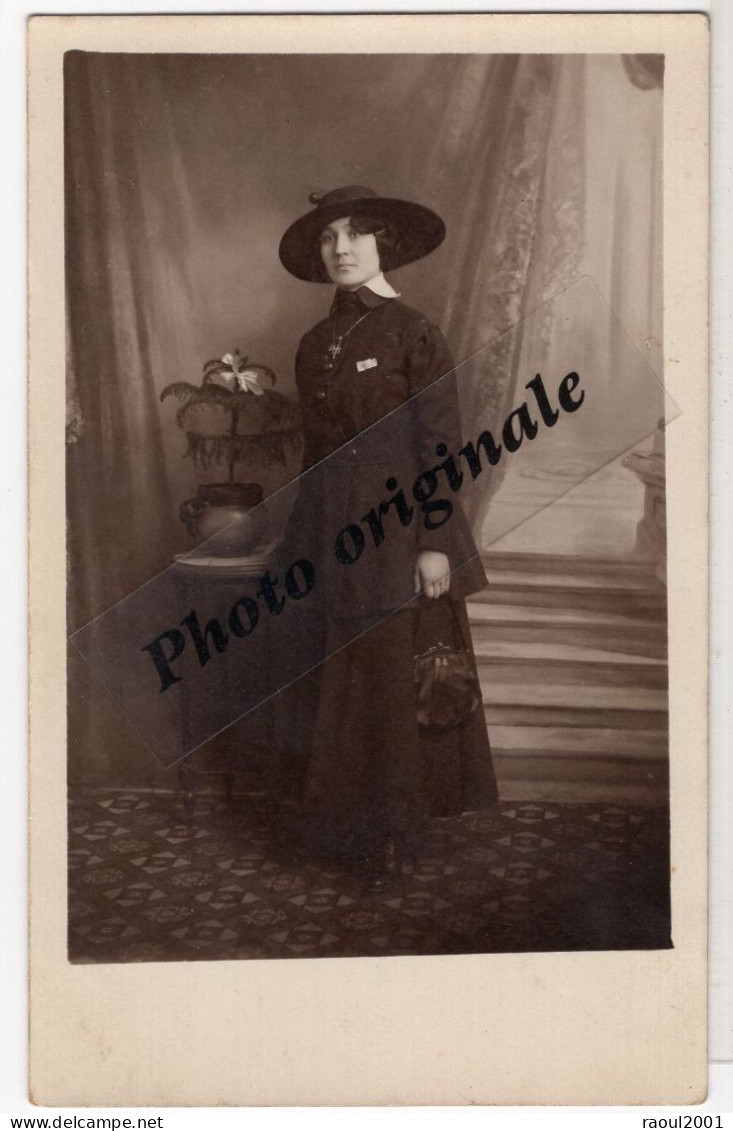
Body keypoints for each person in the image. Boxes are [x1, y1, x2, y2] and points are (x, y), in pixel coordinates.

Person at [277, 186, 498, 890]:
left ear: (384, 245)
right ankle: (335, 825)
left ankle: (394, 835)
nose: (340, 248)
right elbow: (316, 454)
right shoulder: (315, 343)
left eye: (355, 235)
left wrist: (435, 541)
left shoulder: (413, 331)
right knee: (330, 677)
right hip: (324, 532)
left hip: (398, 533)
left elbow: (442, 445)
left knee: (386, 685)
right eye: (327, 237)